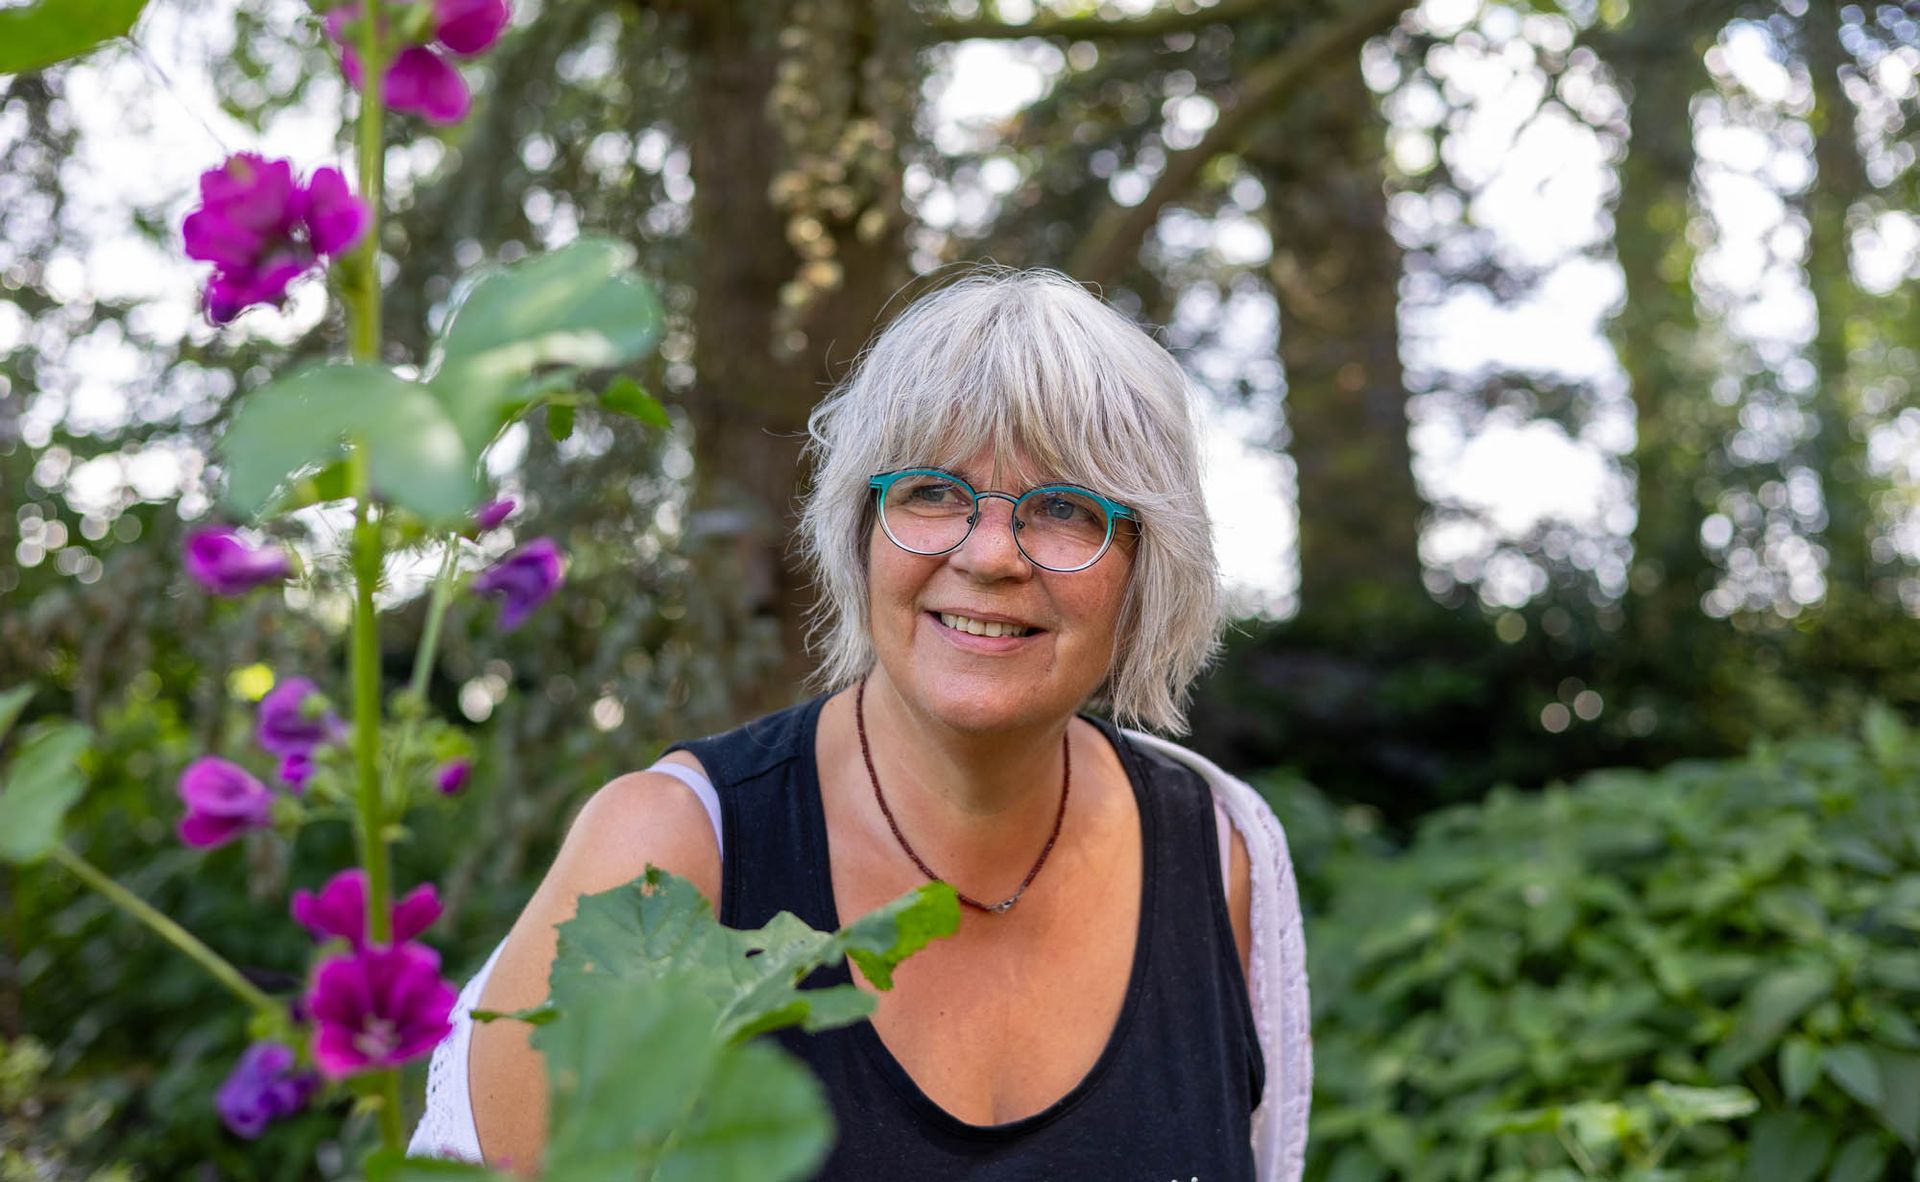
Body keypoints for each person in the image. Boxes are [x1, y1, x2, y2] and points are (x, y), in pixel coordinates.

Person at [407, 267, 1312, 1179]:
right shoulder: (666, 859)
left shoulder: (1221, 855)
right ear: (859, 527)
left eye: (1067, 509)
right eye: (933, 492)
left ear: (1149, 567)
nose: (990, 554)